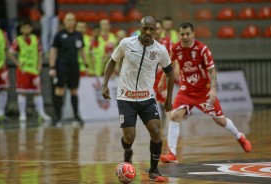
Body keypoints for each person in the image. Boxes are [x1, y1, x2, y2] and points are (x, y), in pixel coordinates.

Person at [160, 22, 252, 163]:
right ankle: (172, 153)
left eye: (187, 34)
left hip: (203, 91)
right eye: (182, 34)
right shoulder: (175, 48)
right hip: (186, 90)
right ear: (179, 34)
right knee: (174, 116)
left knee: (220, 121)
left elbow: (211, 71)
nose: (184, 37)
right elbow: (168, 66)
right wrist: (161, 82)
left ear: (193, 34)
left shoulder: (202, 49)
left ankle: (239, 136)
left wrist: (213, 89)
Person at [102, 16, 174, 182]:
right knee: (129, 137)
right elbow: (112, 61)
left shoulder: (160, 50)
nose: (148, 32)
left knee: (156, 132)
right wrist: (105, 84)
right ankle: (128, 152)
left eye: (151, 29)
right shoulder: (126, 43)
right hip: (125, 98)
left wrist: (169, 99)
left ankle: (154, 171)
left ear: (156, 31)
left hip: (147, 99)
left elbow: (169, 72)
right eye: (145, 28)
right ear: (139, 28)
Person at [8, 20, 51, 123]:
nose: (26, 29)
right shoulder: (18, 40)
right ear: (21, 29)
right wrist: (17, 63)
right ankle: (22, 114)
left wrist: (40, 64)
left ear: (31, 28)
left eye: (28, 27)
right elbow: (10, 53)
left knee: (38, 92)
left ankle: (41, 112)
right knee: (22, 92)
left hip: (34, 69)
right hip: (23, 70)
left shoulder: (36, 39)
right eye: (24, 27)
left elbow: (40, 52)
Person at [49, 13, 87, 126]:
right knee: (59, 91)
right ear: (64, 22)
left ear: (75, 22)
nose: (70, 22)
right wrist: (52, 67)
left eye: (72, 19)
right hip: (61, 67)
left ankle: (76, 117)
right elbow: (53, 51)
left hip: (74, 67)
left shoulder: (78, 35)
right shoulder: (59, 35)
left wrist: (86, 64)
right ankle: (58, 118)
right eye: (68, 20)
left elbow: (82, 50)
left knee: (74, 91)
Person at [153, 20, 172, 135]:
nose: (156, 30)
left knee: (166, 107)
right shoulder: (146, 43)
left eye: (158, 28)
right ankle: (157, 133)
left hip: (162, 78)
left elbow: (171, 61)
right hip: (149, 80)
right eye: (154, 28)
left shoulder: (166, 42)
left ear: (161, 30)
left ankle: (170, 131)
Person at [0, 26, 10, 122]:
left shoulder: (3, 33)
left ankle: (1, 113)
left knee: (3, 89)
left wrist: (5, 62)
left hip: (2, 66)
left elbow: (6, 49)